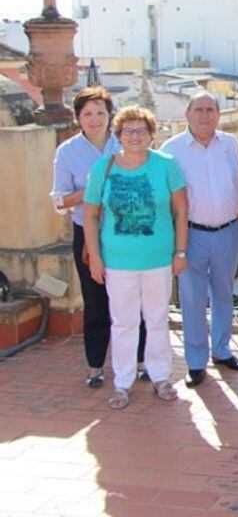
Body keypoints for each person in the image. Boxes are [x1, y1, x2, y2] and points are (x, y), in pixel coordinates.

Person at [83, 106, 188, 409]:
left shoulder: (166, 165)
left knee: (157, 320)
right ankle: (123, 381)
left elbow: (181, 211)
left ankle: (161, 376)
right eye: (128, 131)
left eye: (141, 130)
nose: (135, 136)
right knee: (123, 323)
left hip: (158, 259)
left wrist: (180, 252)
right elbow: (90, 216)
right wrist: (96, 258)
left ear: (152, 135)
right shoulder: (103, 168)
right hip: (118, 261)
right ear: (118, 136)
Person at [51, 87, 147, 388]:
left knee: (136, 298)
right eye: (88, 114)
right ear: (78, 117)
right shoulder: (67, 151)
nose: (95, 120)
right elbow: (60, 200)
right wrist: (92, 189)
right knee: (95, 301)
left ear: (111, 116)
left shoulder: (124, 144)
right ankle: (95, 366)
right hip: (88, 233)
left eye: (101, 113)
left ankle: (141, 360)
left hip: (127, 230)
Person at [162, 92, 238, 388]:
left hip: (228, 230)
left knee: (224, 292)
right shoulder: (171, 150)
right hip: (191, 234)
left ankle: (222, 351)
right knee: (193, 299)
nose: (205, 115)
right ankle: (196, 362)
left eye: (211, 109)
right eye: (198, 109)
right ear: (187, 114)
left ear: (218, 114)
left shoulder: (231, 145)